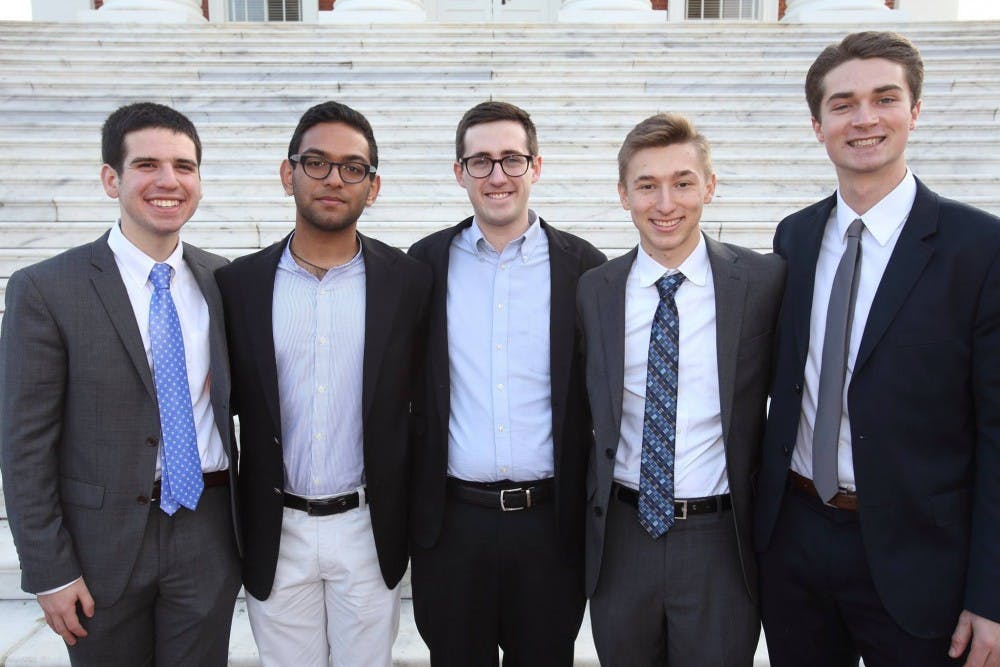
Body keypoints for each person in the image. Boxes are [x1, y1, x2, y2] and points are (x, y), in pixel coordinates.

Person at [755, 31, 1000, 667]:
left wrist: (991, 595)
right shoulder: (795, 237)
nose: (864, 118)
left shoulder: (980, 248)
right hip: (795, 542)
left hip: (921, 557)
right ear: (818, 126)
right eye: (843, 104)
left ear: (914, 111)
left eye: (884, 98)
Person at [0, 102, 240, 665]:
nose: (169, 181)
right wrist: (49, 570)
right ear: (112, 179)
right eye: (147, 165)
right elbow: (24, 443)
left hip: (206, 531)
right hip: (100, 543)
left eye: (184, 166)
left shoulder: (224, 280)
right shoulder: (46, 289)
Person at [216, 100, 431, 667]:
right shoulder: (238, 285)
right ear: (288, 174)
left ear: (373, 186)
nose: (334, 179)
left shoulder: (409, 283)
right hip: (276, 528)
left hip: (368, 528)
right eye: (316, 162)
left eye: (353, 167)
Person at [577, 112, 784, 666]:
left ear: (709, 187)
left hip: (719, 540)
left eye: (683, 182)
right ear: (624, 194)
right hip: (623, 538)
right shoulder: (595, 290)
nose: (665, 203)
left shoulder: (762, 282)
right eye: (647, 185)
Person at [407, 100, 606, 666]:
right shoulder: (424, 264)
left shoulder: (585, 268)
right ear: (460, 172)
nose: (497, 175)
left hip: (549, 527)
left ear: (535, 166)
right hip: (453, 527)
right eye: (481, 161)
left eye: (512, 159)